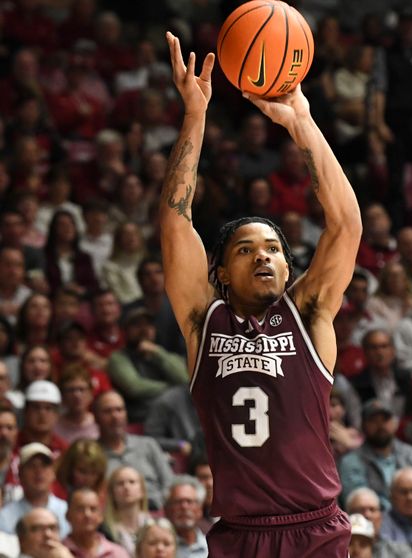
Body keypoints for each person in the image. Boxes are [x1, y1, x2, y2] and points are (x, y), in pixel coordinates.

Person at [160, 32, 360, 558]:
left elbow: (345, 225)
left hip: (316, 528)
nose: (264, 256)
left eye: (273, 248)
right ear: (220, 272)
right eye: (246, 250)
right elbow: (175, 223)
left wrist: (301, 122)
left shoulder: (309, 312)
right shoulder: (205, 320)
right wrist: (196, 115)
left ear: (289, 265)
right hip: (240, 534)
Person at [94, 391, 173, 510]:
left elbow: (170, 484)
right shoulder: (93, 454)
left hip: (158, 512)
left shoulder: (148, 445)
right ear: (96, 417)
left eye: (119, 410)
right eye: (107, 411)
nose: (115, 416)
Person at [0, 443, 69, 538]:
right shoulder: (5, 517)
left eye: (44, 465)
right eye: (32, 466)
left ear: (53, 473)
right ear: (20, 474)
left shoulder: (67, 512)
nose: (39, 472)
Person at [344, 487, 412, 558]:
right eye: (360, 510)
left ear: (380, 516)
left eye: (372, 510)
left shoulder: (398, 548)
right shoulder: (337, 548)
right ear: (346, 516)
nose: (367, 515)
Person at [63, 488, 128, 558]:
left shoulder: (118, 553)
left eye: (93, 509)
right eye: (80, 509)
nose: (87, 514)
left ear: (101, 516)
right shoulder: (56, 552)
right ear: (68, 515)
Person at [102, 466, 151, 556]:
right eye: (120, 483)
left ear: (142, 490)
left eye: (132, 482)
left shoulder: (152, 524)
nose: (126, 487)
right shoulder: (104, 530)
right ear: (112, 492)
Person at [163, 477, 207, 558]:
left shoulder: (213, 547)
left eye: (189, 501)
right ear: (166, 509)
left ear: (200, 509)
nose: (184, 507)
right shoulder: (158, 550)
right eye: (177, 502)